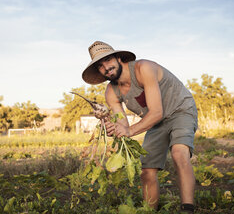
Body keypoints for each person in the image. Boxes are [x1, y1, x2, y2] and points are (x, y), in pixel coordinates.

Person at [82, 41, 198, 213]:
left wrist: (129, 131)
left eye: (108, 60)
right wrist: (112, 127)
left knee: (179, 153)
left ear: (119, 57)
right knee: (146, 170)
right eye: (100, 66)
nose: (106, 67)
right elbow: (122, 125)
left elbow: (157, 112)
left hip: (180, 110)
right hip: (155, 123)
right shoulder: (111, 92)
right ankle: (149, 210)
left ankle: (187, 208)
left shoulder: (143, 69)